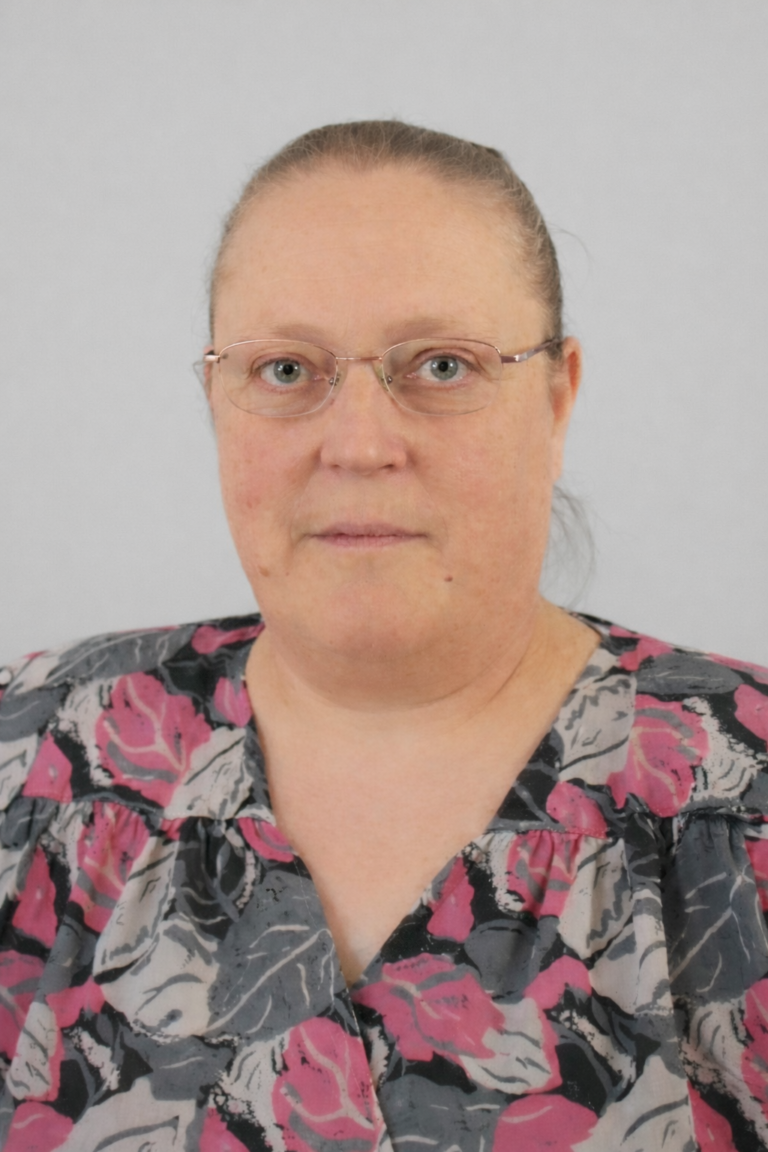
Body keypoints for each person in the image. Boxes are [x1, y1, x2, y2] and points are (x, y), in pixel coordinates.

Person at [1, 119, 767, 1152]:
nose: (359, 445)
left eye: (442, 364)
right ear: (216, 398)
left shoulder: (745, 799)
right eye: (285, 370)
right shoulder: (30, 758)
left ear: (556, 399)